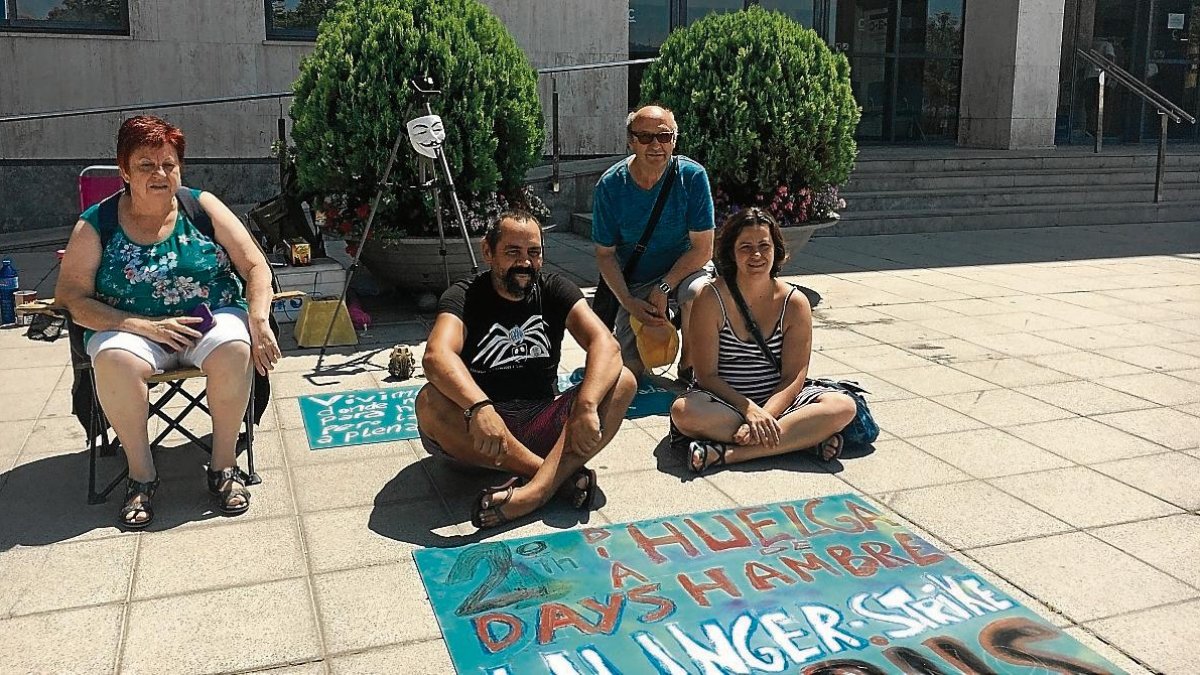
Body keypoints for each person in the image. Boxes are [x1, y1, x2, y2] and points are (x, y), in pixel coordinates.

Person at [56, 115, 279, 529]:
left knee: (235, 346)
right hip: (132, 326)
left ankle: (223, 468)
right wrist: (142, 326)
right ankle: (141, 476)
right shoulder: (97, 223)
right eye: (146, 165)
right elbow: (71, 297)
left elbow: (255, 266)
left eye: (169, 164)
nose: (160, 173)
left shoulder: (201, 206)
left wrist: (259, 318)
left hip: (207, 319)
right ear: (124, 170)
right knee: (114, 360)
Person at [417, 211, 637, 529]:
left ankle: (534, 492)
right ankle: (555, 479)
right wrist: (479, 407)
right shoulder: (463, 296)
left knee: (623, 381)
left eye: (533, 253)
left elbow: (607, 345)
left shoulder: (554, 289)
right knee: (429, 402)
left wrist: (586, 405)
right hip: (481, 438)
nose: (524, 262)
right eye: (512, 252)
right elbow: (436, 355)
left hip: (541, 419)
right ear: (487, 252)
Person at [669, 208, 858, 474]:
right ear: (731, 253)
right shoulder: (710, 298)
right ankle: (801, 441)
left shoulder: (794, 303)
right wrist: (749, 411)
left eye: (763, 246)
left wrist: (765, 415)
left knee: (843, 407)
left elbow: (794, 376)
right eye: (745, 247)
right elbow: (707, 375)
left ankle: (730, 455)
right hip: (726, 403)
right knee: (683, 412)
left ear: (776, 249)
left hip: (780, 401)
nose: (756, 255)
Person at [592, 105, 715, 378]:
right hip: (636, 280)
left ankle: (690, 365)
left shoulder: (692, 177)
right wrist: (627, 301)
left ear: (674, 140)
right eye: (645, 137)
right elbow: (605, 254)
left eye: (664, 136)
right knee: (630, 373)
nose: (656, 145)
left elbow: (703, 249)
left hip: (685, 269)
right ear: (631, 140)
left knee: (699, 293)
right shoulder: (610, 186)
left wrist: (664, 286)